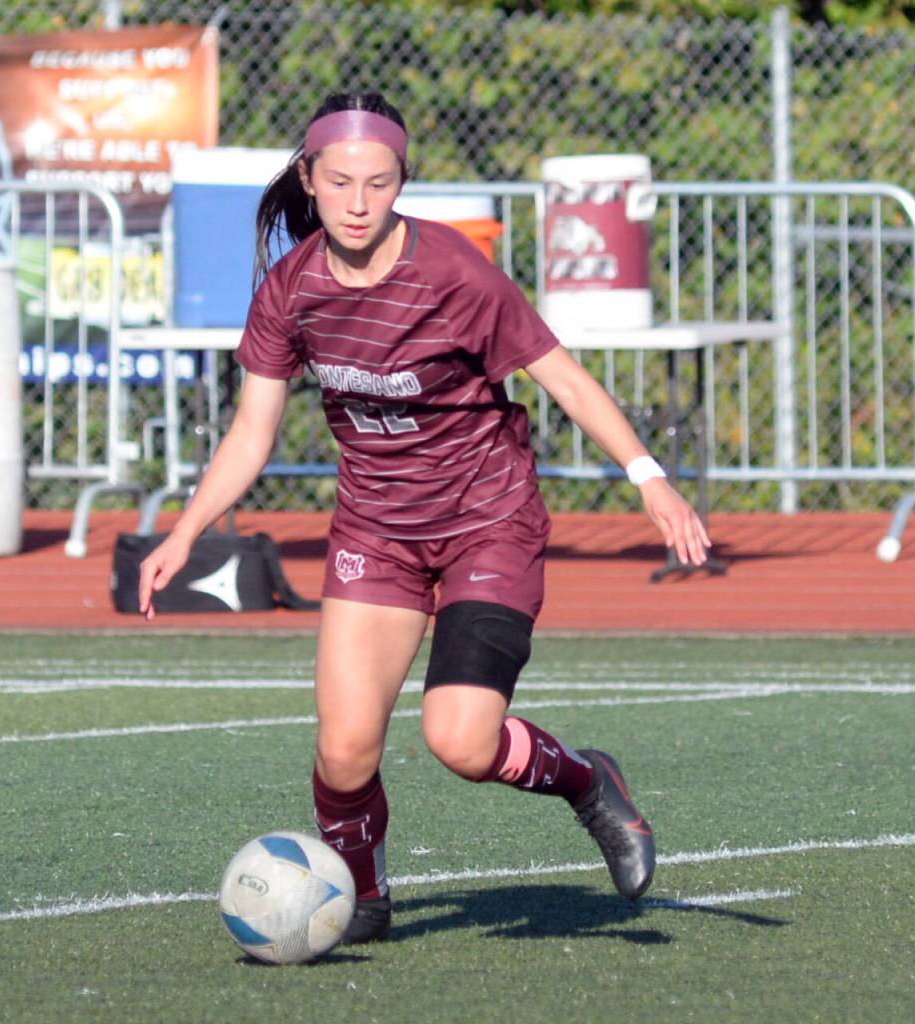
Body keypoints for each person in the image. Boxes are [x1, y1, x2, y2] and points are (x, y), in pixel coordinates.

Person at [139, 91, 711, 944]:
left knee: (462, 743)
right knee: (342, 753)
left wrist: (649, 477)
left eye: (378, 183)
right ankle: (361, 899)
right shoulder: (291, 291)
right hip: (377, 533)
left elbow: (566, 380)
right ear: (308, 178)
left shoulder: (454, 273)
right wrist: (184, 531)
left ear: (402, 181)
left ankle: (589, 783)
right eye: (339, 183)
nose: (359, 202)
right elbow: (251, 432)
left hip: (489, 521)